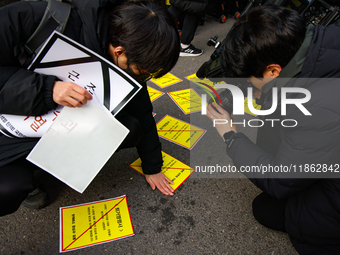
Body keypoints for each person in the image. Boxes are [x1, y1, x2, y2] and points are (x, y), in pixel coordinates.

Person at [0, 0, 180, 217]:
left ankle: (49, 161)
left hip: (55, 126)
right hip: (9, 123)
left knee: (130, 128)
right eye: (143, 72)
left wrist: (153, 167)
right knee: (9, 188)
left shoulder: (129, 61)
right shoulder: (36, 17)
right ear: (119, 51)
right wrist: (47, 90)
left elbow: (143, 113)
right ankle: (28, 170)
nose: (143, 78)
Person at [206, 5, 340, 255]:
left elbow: (280, 179)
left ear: (273, 70)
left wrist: (231, 136)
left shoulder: (314, 108)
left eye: (248, 81)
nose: (249, 89)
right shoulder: (323, 40)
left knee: (270, 210)